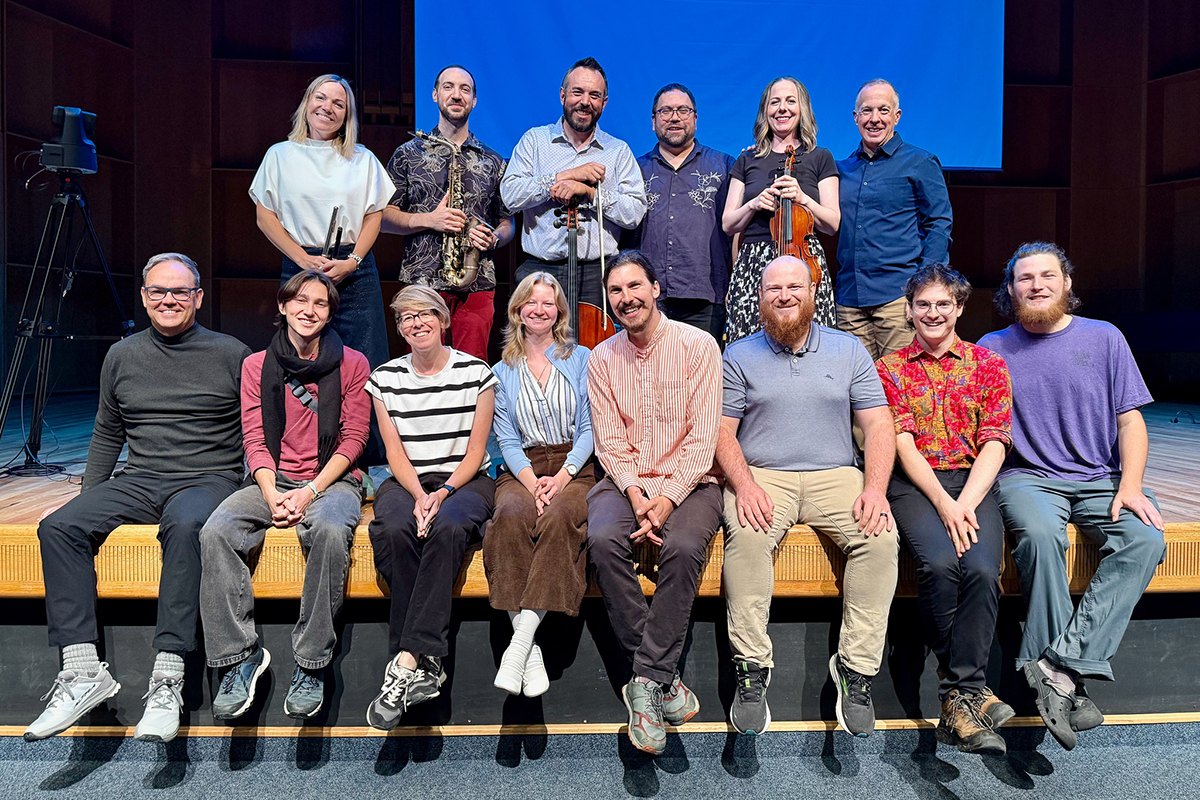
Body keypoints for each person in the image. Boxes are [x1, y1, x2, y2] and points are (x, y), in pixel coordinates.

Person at [26, 253, 249, 744]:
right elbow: (108, 432)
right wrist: (85, 497)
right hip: (142, 476)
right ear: (144, 297)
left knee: (188, 528)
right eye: (157, 291)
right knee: (59, 526)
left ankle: (168, 677)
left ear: (198, 298)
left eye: (179, 292)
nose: (168, 299)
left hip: (208, 477)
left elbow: (256, 428)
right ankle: (83, 671)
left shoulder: (231, 352)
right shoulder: (122, 355)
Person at [978, 242, 1166, 752]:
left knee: (1146, 539)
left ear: (1066, 283)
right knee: (1039, 537)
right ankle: (1065, 677)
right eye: (1024, 278)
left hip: (1101, 478)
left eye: (1046, 276)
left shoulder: (1105, 338)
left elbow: (1131, 421)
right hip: (1027, 477)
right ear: (1010, 290)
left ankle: (1056, 665)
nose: (1036, 285)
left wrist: (1129, 485)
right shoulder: (991, 347)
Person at [717, 255, 896, 738]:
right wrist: (745, 484)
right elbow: (721, 431)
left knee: (880, 540)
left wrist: (876, 489)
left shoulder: (849, 350)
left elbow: (879, 424)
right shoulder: (737, 354)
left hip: (835, 474)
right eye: (773, 288)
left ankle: (856, 671)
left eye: (794, 286)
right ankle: (752, 670)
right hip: (764, 475)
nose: (784, 295)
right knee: (748, 538)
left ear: (813, 292)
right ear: (760, 299)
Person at [198, 270, 370, 721]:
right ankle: (239, 658)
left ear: (330, 313)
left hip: (332, 481)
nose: (309, 310)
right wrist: (273, 492)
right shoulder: (256, 365)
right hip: (271, 481)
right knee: (216, 530)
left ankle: (312, 663)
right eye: (300, 301)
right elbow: (254, 438)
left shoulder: (353, 363)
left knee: (331, 531)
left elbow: (354, 440)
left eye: (320, 303)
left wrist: (311, 491)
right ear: (283, 306)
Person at [586, 250, 722, 756]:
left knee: (684, 548)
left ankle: (644, 680)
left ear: (656, 288)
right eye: (616, 291)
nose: (626, 298)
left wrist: (665, 500)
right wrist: (639, 495)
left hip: (693, 482)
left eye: (634, 287)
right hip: (626, 483)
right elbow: (610, 442)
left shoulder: (699, 345)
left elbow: (703, 438)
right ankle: (663, 678)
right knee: (601, 537)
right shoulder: (602, 358)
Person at [876, 264, 1013, 755]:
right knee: (937, 564)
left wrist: (967, 502)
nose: (932, 313)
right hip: (915, 484)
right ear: (908, 310)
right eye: (923, 304)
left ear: (959, 307)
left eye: (942, 304)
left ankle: (958, 695)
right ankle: (971, 691)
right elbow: (903, 443)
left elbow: (995, 442)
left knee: (979, 568)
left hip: (973, 482)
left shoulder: (988, 363)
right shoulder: (889, 368)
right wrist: (944, 504)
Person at [364, 286, 498, 729]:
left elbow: (477, 451)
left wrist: (441, 495)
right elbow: (395, 452)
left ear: (443, 320)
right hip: (408, 481)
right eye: (406, 318)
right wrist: (420, 495)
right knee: (394, 528)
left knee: (447, 529)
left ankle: (407, 658)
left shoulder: (476, 372)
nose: (416, 323)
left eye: (425, 314)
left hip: (465, 481)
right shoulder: (384, 378)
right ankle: (428, 664)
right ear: (400, 328)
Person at [485, 272, 596, 696]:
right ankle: (528, 653)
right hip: (523, 466)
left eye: (548, 303)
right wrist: (532, 482)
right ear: (517, 310)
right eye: (531, 303)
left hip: (577, 463)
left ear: (559, 312)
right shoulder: (501, 370)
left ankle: (519, 640)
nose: (539, 309)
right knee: (511, 515)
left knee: (560, 516)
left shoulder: (581, 358)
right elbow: (506, 439)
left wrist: (565, 474)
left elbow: (591, 426)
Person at [250, 73, 395, 371]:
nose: (328, 107)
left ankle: (363, 420)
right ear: (307, 103)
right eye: (321, 98)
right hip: (300, 263)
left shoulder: (362, 159)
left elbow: (374, 215)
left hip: (354, 270)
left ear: (347, 116)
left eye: (338, 104)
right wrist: (302, 259)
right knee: (301, 358)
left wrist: (352, 262)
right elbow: (265, 217)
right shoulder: (279, 155)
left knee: (367, 361)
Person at [383, 64, 515, 361]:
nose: (457, 95)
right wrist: (429, 220)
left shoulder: (493, 160)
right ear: (434, 94)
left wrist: (494, 237)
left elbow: (508, 222)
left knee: (472, 372)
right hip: (422, 282)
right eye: (448, 87)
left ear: (474, 100)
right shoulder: (407, 153)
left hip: (476, 283)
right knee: (421, 371)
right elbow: (383, 217)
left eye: (465, 89)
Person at [500, 57, 647, 313]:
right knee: (537, 350)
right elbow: (509, 195)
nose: (585, 102)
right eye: (577, 92)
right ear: (562, 95)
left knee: (598, 350)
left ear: (604, 102)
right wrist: (563, 176)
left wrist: (590, 193)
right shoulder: (535, 141)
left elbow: (634, 212)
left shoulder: (618, 151)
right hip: (540, 268)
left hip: (598, 272)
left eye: (594, 95)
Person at [836, 79, 953, 361]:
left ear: (897, 116)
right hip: (848, 302)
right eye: (866, 111)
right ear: (855, 117)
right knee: (856, 397)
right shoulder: (842, 169)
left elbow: (939, 225)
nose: (874, 119)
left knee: (901, 393)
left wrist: (922, 291)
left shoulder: (920, 162)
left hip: (897, 299)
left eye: (883, 110)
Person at [722, 76, 840, 343]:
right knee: (749, 346)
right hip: (753, 264)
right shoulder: (747, 159)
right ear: (766, 111)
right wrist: (753, 204)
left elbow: (832, 223)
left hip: (803, 260)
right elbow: (728, 223)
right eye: (774, 102)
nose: (782, 108)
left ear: (803, 109)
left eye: (790, 101)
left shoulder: (820, 157)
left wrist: (803, 198)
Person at [631, 82, 734, 344]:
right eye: (665, 111)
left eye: (682, 110)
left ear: (695, 119)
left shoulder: (724, 166)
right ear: (654, 121)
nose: (674, 117)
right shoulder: (634, 171)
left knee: (702, 379)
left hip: (706, 295)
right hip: (648, 298)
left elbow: (738, 230)